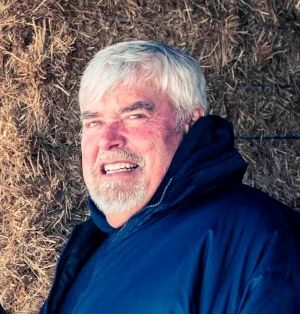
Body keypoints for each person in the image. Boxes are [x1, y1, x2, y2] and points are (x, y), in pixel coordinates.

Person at [40, 41, 300, 313]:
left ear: (190, 122)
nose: (107, 139)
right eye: (94, 122)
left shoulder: (264, 242)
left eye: (135, 115)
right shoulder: (94, 251)